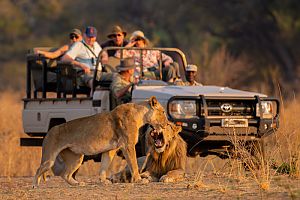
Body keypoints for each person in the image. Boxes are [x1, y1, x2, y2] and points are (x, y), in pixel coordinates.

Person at [115, 30, 180, 82]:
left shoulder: (152, 51)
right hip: (144, 75)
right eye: (135, 40)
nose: (137, 42)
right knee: (170, 69)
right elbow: (117, 55)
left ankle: (175, 82)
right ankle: (171, 84)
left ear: (143, 40)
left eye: (139, 39)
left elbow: (168, 58)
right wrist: (129, 45)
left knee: (174, 64)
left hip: (157, 73)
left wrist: (166, 62)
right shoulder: (132, 52)